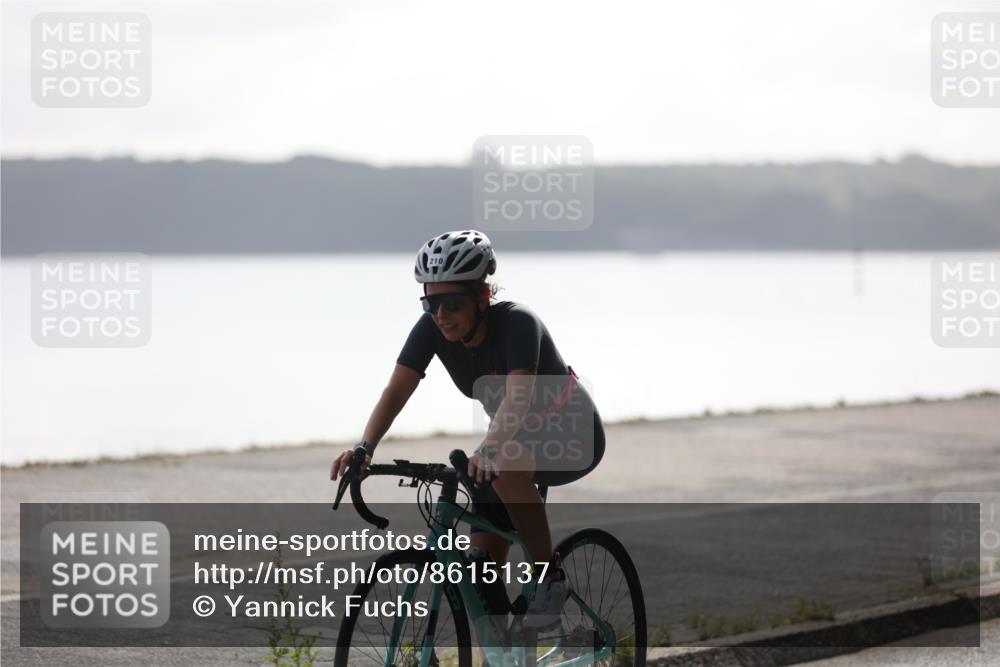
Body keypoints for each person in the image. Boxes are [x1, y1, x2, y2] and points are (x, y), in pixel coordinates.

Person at [330, 229, 606, 629]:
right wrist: (364, 448)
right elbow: (397, 389)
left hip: (571, 434)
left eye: (453, 303)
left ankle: (551, 580)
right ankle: (508, 650)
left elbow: (519, 397)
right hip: (510, 440)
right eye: (431, 303)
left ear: (482, 296)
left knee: (505, 463)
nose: (441, 315)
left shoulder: (518, 323)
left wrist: (490, 448)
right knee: (481, 581)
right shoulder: (432, 328)